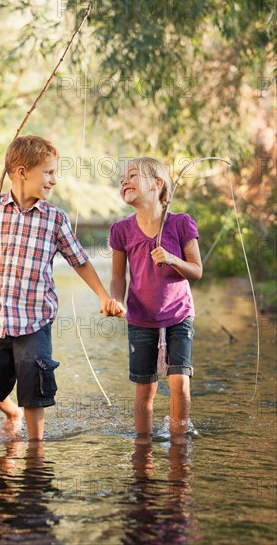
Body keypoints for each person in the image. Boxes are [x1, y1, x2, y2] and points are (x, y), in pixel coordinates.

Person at [0, 135, 124, 441]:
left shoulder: (55, 218)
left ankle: (35, 447)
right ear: (22, 172)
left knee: (34, 382)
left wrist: (104, 296)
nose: (54, 179)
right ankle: (12, 413)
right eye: (48, 172)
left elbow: (80, 262)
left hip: (35, 319)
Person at [109, 157, 202, 437]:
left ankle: (179, 441)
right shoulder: (121, 230)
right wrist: (117, 300)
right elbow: (118, 277)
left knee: (179, 382)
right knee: (144, 388)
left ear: (157, 184)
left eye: (133, 175)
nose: (124, 181)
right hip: (140, 317)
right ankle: (142, 448)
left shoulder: (181, 224)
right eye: (122, 177)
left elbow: (196, 271)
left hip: (178, 313)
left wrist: (172, 258)